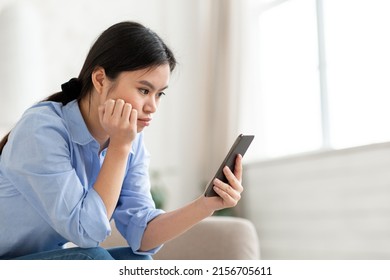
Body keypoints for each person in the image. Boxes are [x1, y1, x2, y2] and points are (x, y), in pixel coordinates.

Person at [0, 21, 243, 260]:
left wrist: (206, 205)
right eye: (144, 90)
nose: (152, 107)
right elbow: (86, 233)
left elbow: (143, 235)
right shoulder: (41, 130)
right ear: (100, 80)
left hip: (39, 261)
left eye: (160, 94)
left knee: (138, 262)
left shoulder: (130, 140)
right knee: (94, 259)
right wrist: (119, 147)